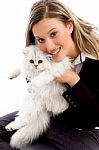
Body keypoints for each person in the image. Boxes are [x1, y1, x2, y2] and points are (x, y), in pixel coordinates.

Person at [0, 0, 99, 149]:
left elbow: (93, 119)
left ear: (69, 26)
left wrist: (73, 80)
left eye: (54, 34)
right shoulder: (41, 55)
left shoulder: (94, 58)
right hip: (43, 116)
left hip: (80, 129)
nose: (49, 47)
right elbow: (34, 86)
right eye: (41, 39)